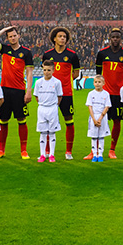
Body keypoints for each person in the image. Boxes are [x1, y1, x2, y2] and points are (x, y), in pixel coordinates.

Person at [0, 25, 34, 160]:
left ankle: (23, 150)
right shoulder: (4, 49)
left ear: (18, 36)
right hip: (4, 90)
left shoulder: (26, 52)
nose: (13, 38)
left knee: (21, 119)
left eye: (14, 35)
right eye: (10, 36)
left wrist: (28, 91)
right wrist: (4, 29)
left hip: (19, 90)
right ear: (7, 38)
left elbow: (29, 73)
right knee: (3, 120)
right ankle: (1, 149)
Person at [89, 28, 123, 160]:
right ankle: (94, 150)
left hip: (118, 94)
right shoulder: (102, 54)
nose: (115, 39)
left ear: (121, 39)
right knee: (96, 120)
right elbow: (98, 73)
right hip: (103, 94)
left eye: (117, 37)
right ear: (110, 38)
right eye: (113, 37)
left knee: (117, 121)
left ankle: (112, 149)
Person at [42, 27, 81, 160]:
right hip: (50, 94)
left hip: (67, 93)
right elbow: (46, 71)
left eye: (64, 37)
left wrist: (65, 82)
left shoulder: (72, 55)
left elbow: (76, 73)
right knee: (48, 123)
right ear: (54, 38)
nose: (62, 38)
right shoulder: (47, 55)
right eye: (60, 36)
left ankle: (68, 151)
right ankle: (47, 150)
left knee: (69, 121)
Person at [34, 60, 63, 163]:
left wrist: (54, 105)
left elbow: (59, 96)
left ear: (53, 70)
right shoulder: (38, 82)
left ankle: (51, 155)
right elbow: (36, 97)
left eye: (49, 70)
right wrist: (43, 104)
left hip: (53, 109)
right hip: (42, 109)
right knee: (42, 133)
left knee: (52, 132)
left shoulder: (57, 82)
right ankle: (42, 154)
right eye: (45, 70)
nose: (46, 72)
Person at [85, 75, 111, 163]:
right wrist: (94, 119)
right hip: (93, 117)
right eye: (96, 82)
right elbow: (89, 107)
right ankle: (94, 154)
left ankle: (100, 154)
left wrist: (100, 118)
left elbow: (107, 106)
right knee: (94, 137)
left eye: (99, 82)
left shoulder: (106, 94)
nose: (97, 84)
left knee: (101, 136)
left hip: (102, 117)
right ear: (93, 83)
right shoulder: (91, 94)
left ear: (103, 83)